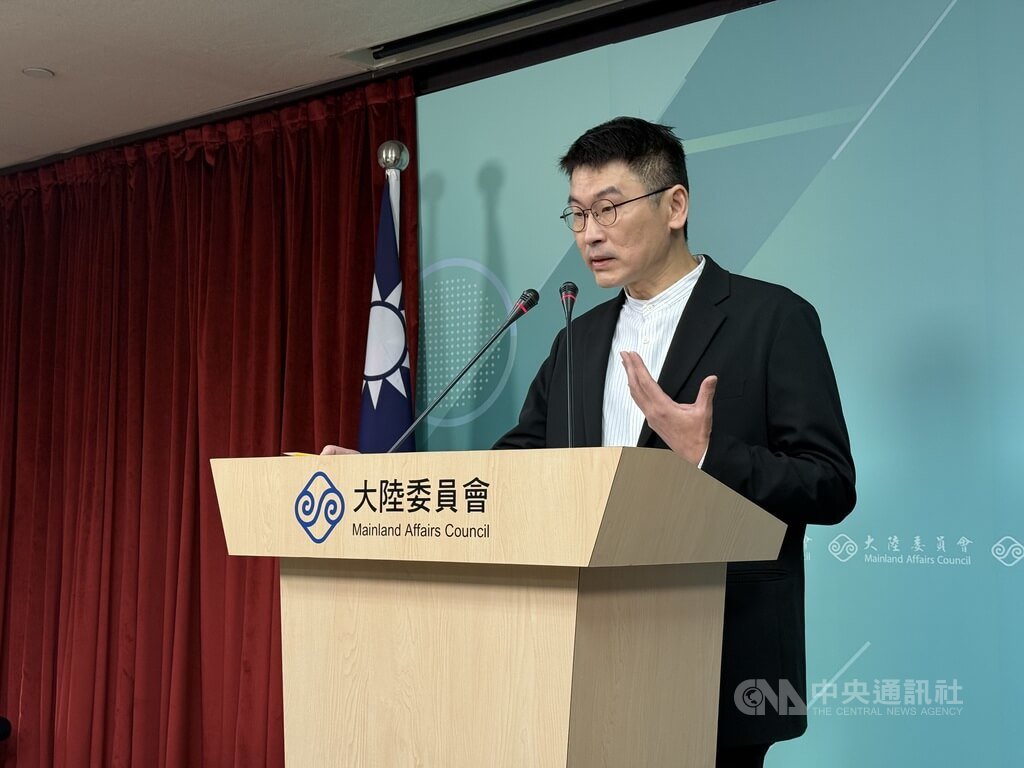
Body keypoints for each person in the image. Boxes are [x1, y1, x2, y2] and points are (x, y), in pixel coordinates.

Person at [493, 116, 856, 767]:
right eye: (577, 214)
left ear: (675, 206)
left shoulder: (772, 319)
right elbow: (516, 467)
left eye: (608, 208)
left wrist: (708, 456)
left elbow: (829, 484)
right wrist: (384, 477)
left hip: (721, 658)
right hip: (585, 659)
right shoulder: (577, 340)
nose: (590, 233)